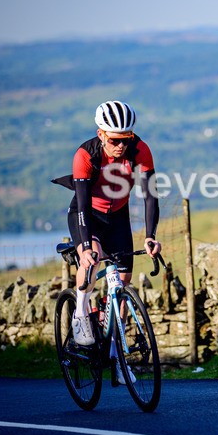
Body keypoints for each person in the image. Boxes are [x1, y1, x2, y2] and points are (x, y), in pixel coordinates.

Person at [53, 100, 162, 383]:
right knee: (91, 260)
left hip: (118, 217)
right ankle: (80, 311)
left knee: (122, 283)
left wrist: (150, 236)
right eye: (115, 140)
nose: (121, 146)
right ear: (101, 134)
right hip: (87, 215)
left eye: (126, 138)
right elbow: (82, 205)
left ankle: (117, 357)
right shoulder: (85, 155)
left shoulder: (140, 149)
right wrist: (86, 247)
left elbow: (150, 196)